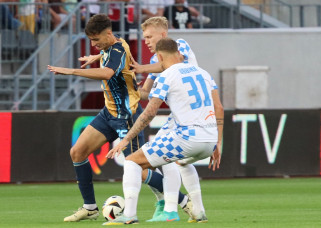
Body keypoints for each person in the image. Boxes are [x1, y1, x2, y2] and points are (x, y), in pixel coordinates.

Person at [78, 16, 195, 223]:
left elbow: (173, 65)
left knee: (148, 166)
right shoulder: (150, 60)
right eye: (144, 37)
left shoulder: (179, 47)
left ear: (163, 34)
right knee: (149, 165)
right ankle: (169, 204)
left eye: (150, 36)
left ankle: (181, 202)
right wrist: (129, 85)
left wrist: (140, 69)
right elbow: (145, 94)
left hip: (188, 116)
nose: (147, 41)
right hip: (126, 112)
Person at [104, 37, 223, 225]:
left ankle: (129, 216)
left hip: (186, 138)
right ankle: (199, 212)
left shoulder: (167, 76)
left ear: (159, 57)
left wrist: (127, 139)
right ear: (179, 53)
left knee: (132, 161)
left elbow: (150, 112)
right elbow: (218, 107)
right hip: (209, 139)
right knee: (181, 163)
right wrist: (218, 142)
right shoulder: (204, 73)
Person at [47, 14, 144, 222]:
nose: (93, 44)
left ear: (108, 33)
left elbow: (108, 73)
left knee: (139, 168)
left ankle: (181, 201)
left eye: (96, 40)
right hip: (109, 112)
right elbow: (110, 56)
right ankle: (90, 207)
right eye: (91, 40)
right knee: (78, 151)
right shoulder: (112, 46)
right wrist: (97, 56)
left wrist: (72, 71)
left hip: (127, 115)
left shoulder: (117, 49)